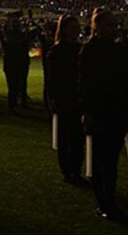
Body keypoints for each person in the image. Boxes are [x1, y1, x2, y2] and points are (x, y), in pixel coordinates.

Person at [78, 8, 128, 223]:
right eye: (109, 25)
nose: (114, 29)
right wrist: (87, 111)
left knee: (111, 161)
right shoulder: (90, 50)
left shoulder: (118, 50)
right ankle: (104, 203)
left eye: (115, 25)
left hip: (116, 111)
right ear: (97, 27)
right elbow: (85, 83)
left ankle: (109, 200)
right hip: (100, 112)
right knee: (102, 161)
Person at [45, 15, 84, 184]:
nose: (77, 31)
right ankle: (68, 171)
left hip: (77, 97)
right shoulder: (57, 51)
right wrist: (52, 98)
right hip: (64, 97)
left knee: (78, 137)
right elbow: (52, 78)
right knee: (65, 137)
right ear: (65, 30)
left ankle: (76, 170)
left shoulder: (81, 49)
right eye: (73, 28)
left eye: (78, 27)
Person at [0, 15, 31, 114]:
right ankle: (21, 102)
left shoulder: (8, 41)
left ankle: (12, 106)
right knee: (21, 84)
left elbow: (2, 35)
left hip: (10, 65)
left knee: (12, 87)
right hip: (20, 64)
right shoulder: (22, 39)